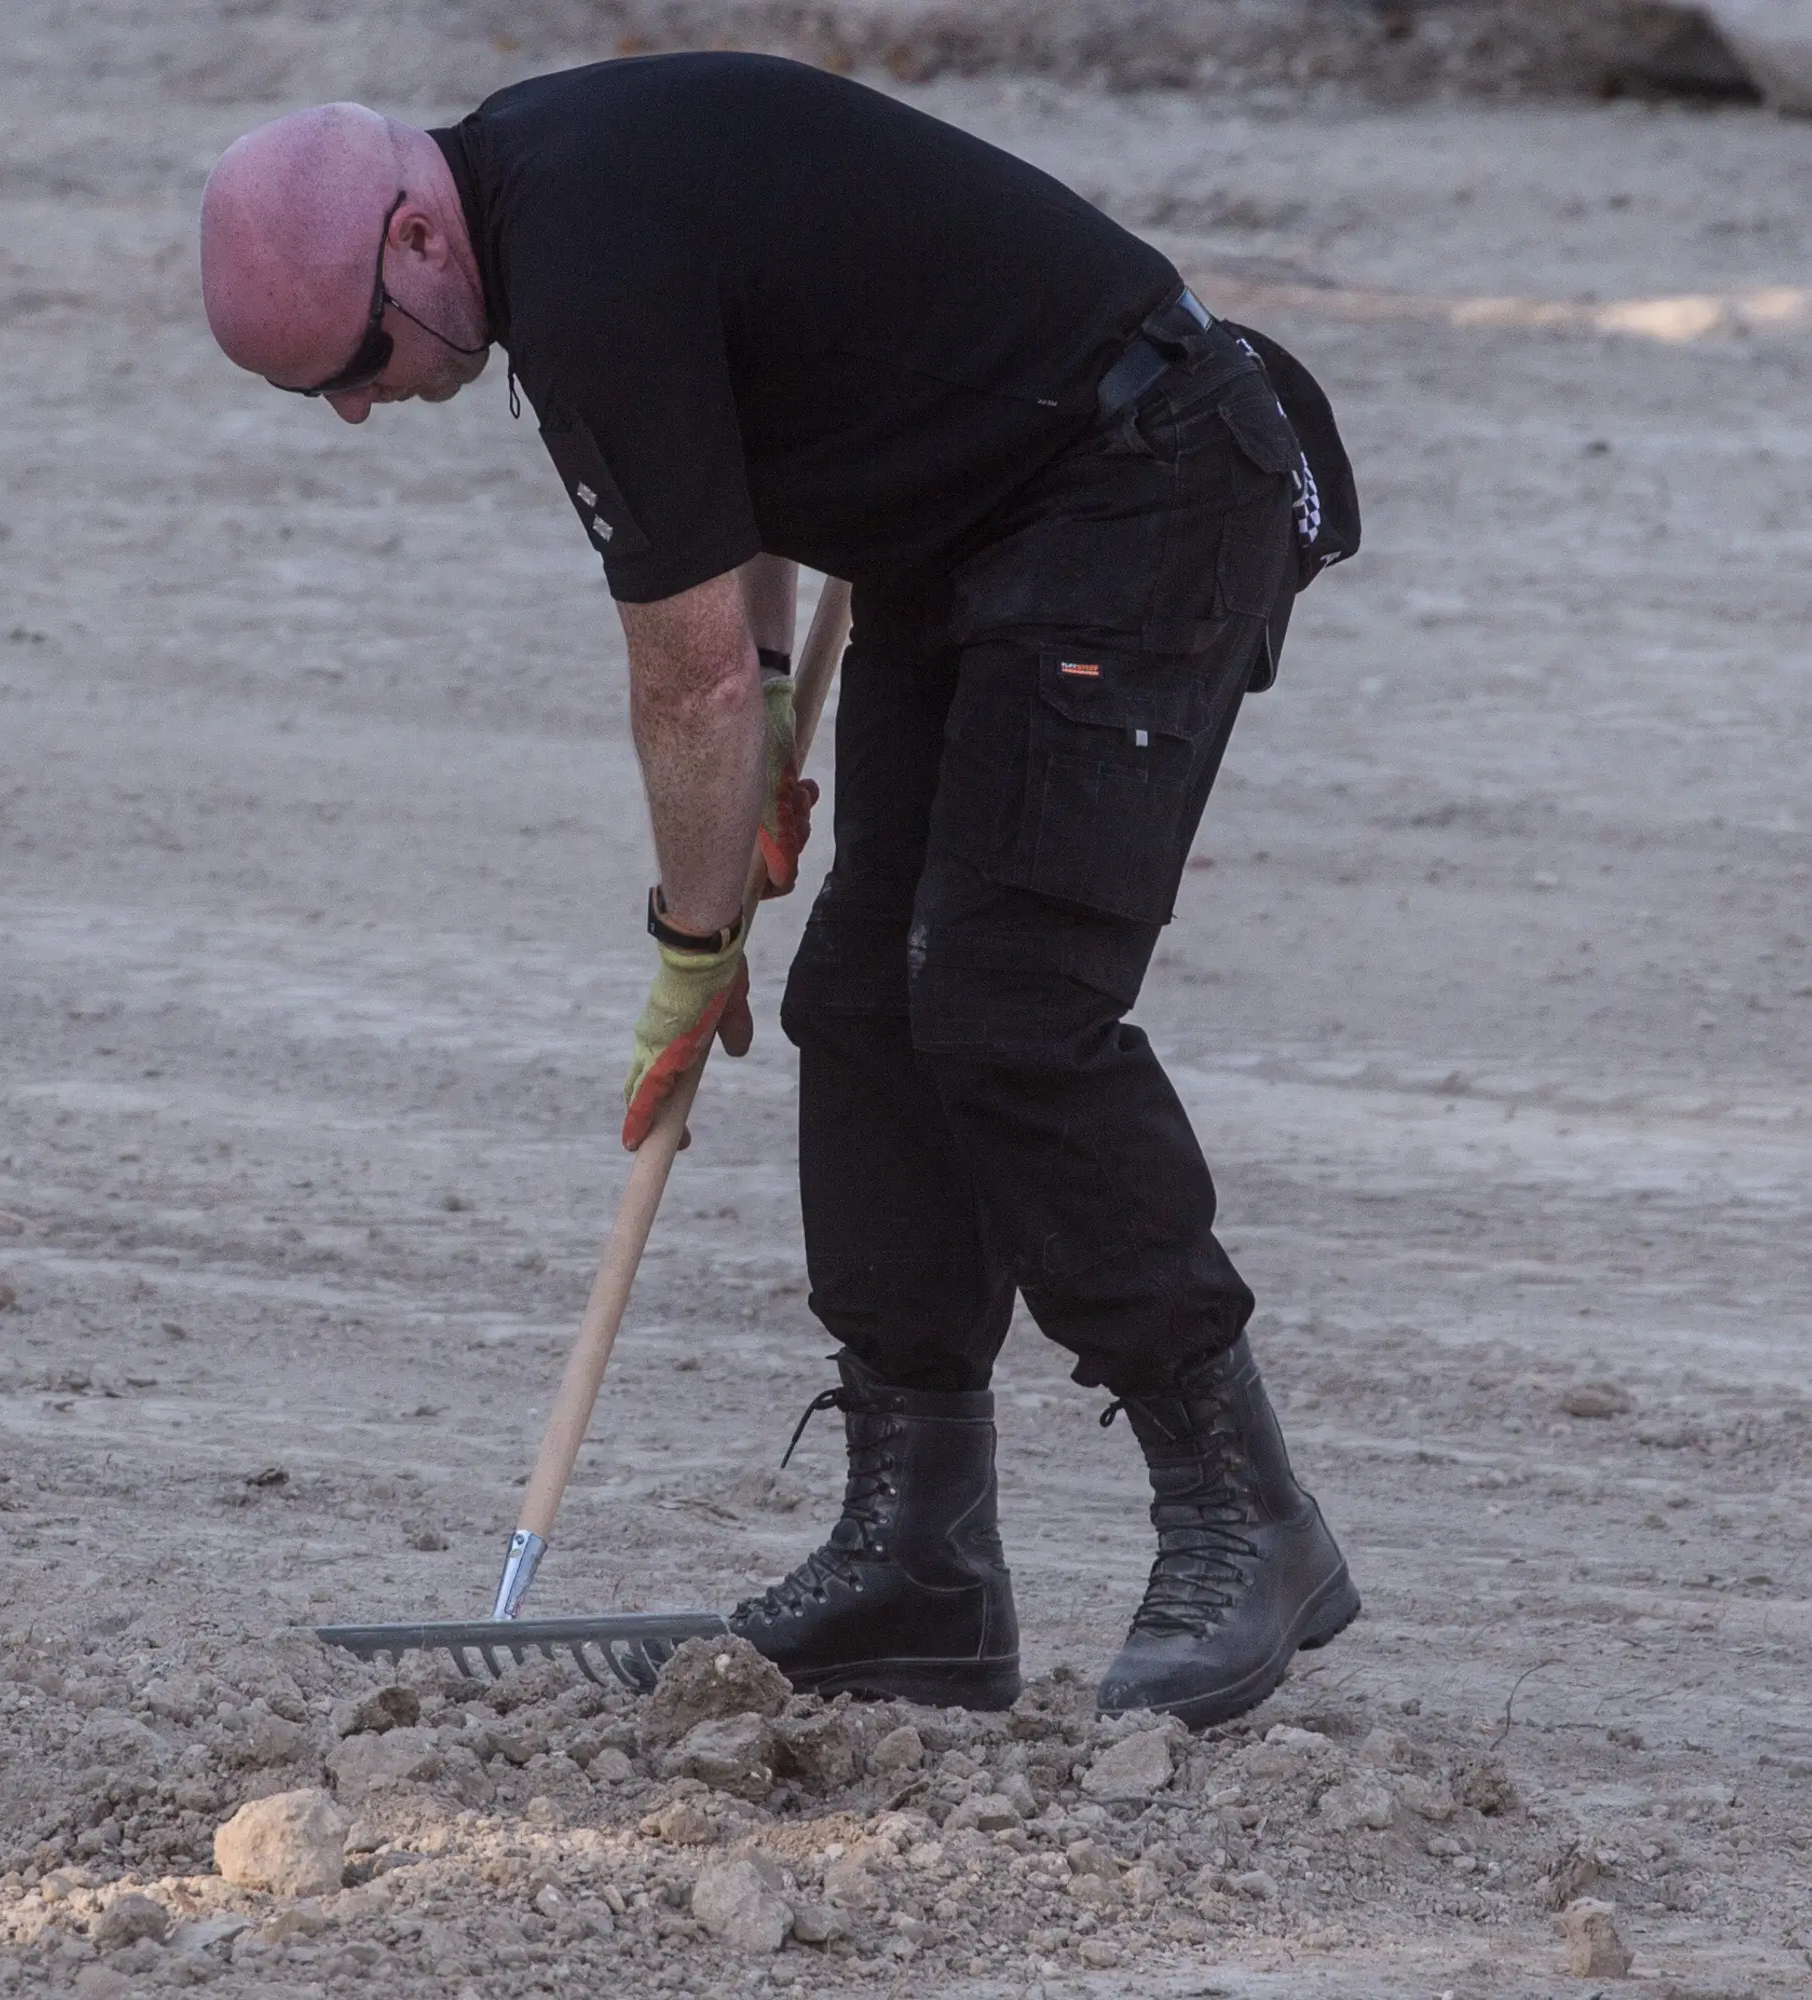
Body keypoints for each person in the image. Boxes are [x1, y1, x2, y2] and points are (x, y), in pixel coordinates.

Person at [199, 52, 1362, 1726]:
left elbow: (683, 691)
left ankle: (1246, 1511)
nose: (360, 409)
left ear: (412, 242)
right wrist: (746, 755)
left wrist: (688, 947)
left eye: (359, 364)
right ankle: (921, 1559)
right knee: (866, 1005)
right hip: (974, 524)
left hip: (1143, 481)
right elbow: (721, 504)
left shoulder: (578, 261)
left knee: (1007, 1003)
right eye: (322, 392)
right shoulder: (545, 210)